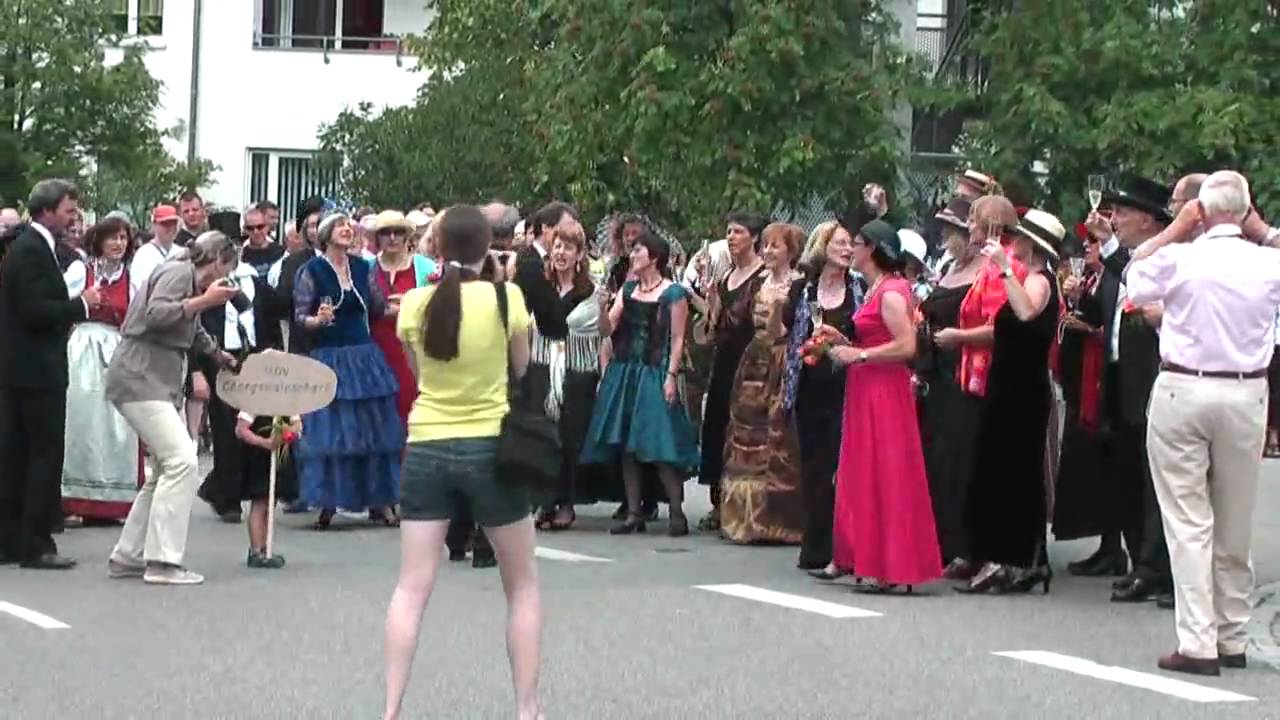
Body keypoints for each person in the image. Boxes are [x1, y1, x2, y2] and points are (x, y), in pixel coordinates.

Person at [387, 205, 541, 720]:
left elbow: (418, 374)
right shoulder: (506, 298)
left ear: (437, 247)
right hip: (491, 445)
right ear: (489, 245)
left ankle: (391, 707)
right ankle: (526, 708)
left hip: (427, 443)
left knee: (411, 588)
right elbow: (521, 365)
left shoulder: (415, 302)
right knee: (521, 585)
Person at [1124, 171, 1277, 676]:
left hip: (1184, 385)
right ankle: (1232, 633)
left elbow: (1135, 278)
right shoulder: (1267, 261)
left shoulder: (1181, 257)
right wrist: (1263, 231)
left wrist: (1174, 230)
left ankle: (1198, 640)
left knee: (1188, 521)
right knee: (1234, 518)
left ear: (1201, 212)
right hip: (1246, 390)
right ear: (1246, 212)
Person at [104, 232, 241, 585]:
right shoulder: (179, 273)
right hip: (141, 375)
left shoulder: (185, 277)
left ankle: (129, 555)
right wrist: (204, 301)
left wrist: (217, 355)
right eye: (227, 269)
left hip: (149, 377)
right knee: (182, 461)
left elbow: (190, 328)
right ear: (217, 259)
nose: (224, 279)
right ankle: (162, 561)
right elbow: (155, 315)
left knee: (167, 467)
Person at [823, 219, 940, 593]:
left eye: (856, 243)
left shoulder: (890, 291)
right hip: (867, 386)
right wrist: (843, 342)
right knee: (865, 472)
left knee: (885, 472)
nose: (851, 250)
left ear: (871, 248)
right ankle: (869, 558)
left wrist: (859, 355)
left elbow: (906, 346)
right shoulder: (878, 287)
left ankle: (892, 565)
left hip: (883, 390)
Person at [956, 209, 1065, 595]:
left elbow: (1025, 312)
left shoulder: (1039, 280)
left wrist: (1004, 269)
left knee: (1012, 473)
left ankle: (1009, 560)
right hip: (1009, 383)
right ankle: (1026, 560)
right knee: (1006, 471)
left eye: (1017, 237)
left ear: (1031, 245)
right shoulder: (1028, 278)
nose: (1011, 242)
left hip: (1023, 389)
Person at [0, 179, 100, 569]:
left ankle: (12, 539)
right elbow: (35, 311)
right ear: (46, 211)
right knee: (42, 455)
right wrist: (82, 305)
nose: (74, 218)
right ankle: (36, 542)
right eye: (68, 210)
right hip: (35, 371)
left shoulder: (32, 247)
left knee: (18, 456)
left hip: (23, 370)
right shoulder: (30, 250)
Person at [1087, 176, 1175, 605]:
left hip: (1153, 378)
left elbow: (1132, 272)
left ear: (1147, 219)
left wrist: (1107, 247)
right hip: (1120, 375)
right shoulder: (1125, 261)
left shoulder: (1167, 257)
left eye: (1122, 212)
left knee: (1153, 479)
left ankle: (1156, 567)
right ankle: (1139, 556)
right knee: (1126, 473)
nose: (1115, 218)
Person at [581, 232, 699, 536]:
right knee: (627, 446)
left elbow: (678, 339)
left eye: (638, 251)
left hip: (654, 372)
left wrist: (671, 376)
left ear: (654, 258)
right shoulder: (628, 289)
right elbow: (607, 329)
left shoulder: (673, 293)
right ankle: (634, 512)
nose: (632, 256)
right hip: (624, 371)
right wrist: (601, 308)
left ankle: (676, 511)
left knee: (659, 443)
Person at [293, 213, 403, 529]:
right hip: (329, 356)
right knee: (332, 432)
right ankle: (328, 501)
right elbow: (300, 316)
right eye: (339, 226)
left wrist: (416, 304)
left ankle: (381, 501)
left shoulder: (362, 267)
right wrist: (317, 320)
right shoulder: (311, 270)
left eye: (348, 226)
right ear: (326, 234)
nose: (346, 230)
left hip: (363, 356)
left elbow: (379, 307)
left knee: (373, 429)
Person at [719, 223, 806, 544]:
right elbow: (736, 322)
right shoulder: (759, 282)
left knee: (778, 437)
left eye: (775, 246)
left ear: (790, 251)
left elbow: (783, 332)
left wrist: (780, 308)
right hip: (754, 361)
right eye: (765, 245)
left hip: (782, 361)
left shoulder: (799, 285)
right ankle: (743, 519)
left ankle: (776, 521)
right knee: (746, 435)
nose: (767, 251)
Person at [785, 222, 863, 572]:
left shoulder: (859, 287)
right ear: (822, 246)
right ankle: (815, 543)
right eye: (840, 243)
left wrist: (842, 342)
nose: (847, 249)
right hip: (809, 385)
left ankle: (841, 545)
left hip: (846, 384)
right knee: (813, 465)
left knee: (840, 464)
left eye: (850, 243)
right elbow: (787, 331)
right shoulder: (803, 289)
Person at [916, 198, 984, 572]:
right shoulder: (949, 268)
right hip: (936, 374)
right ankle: (938, 541)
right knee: (936, 458)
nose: (945, 237)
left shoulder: (983, 271)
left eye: (951, 231)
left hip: (963, 373)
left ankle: (964, 546)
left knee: (960, 458)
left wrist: (957, 337)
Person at [61, 218, 142, 525]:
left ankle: (111, 501)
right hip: (83, 349)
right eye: (112, 237)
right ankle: (74, 498)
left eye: (123, 238)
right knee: (81, 423)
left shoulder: (131, 277)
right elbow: (60, 302)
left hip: (117, 350)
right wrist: (83, 303)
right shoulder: (82, 271)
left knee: (116, 426)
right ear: (98, 241)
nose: (119, 243)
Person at [525, 224, 603, 531]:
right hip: (542, 367)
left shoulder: (591, 292)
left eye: (568, 248)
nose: (561, 253)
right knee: (542, 437)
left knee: (570, 439)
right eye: (557, 246)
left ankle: (566, 502)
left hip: (577, 371)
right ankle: (543, 500)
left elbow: (600, 330)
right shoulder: (541, 287)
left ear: (579, 254)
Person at [695, 212, 767, 531]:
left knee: (745, 432)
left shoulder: (762, 277)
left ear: (754, 237)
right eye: (728, 232)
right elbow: (714, 325)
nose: (731, 237)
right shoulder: (726, 277)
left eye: (738, 231)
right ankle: (717, 501)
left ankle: (744, 505)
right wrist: (709, 297)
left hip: (750, 361)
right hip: (724, 360)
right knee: (717, 427)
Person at [370, 210, 437, 425]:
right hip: (374, 352)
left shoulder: (426, 267)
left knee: (410, 411)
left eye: (398, 232)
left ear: (407, 236)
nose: (392, 238)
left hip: (413, 351)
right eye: (385, 232)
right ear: (377, 237)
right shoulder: (366, 267)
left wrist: (410, 305)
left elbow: (438, 309)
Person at [234, 411, 300, 569]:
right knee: (260, 503)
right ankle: (256, 550)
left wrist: (286, 434)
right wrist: (264, 442)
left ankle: (265, 546)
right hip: (258, 457)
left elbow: (297, 425)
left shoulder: (288, 403)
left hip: (278, 457)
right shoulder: (256, 402)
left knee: (270, 503)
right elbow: (241, 429)